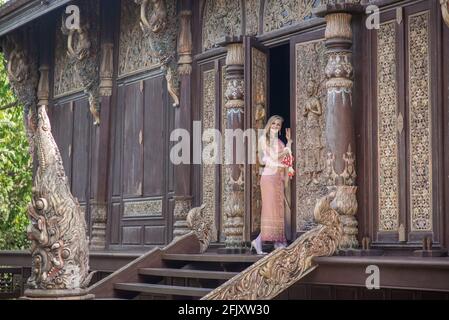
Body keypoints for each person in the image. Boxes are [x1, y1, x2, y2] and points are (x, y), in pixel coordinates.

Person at [251, 115, 293, 255]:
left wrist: (289, 143)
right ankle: (258, 241)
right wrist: (286, 150)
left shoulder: (280, 142)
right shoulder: (264, 139)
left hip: (278, 178)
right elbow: (274, 158)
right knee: (270, 210)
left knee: (278, 211)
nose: (276, 126)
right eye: (273, 123)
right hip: (269, 178)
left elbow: (287, 159)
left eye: (278, 125)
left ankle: (277, 241)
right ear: (269, 125)